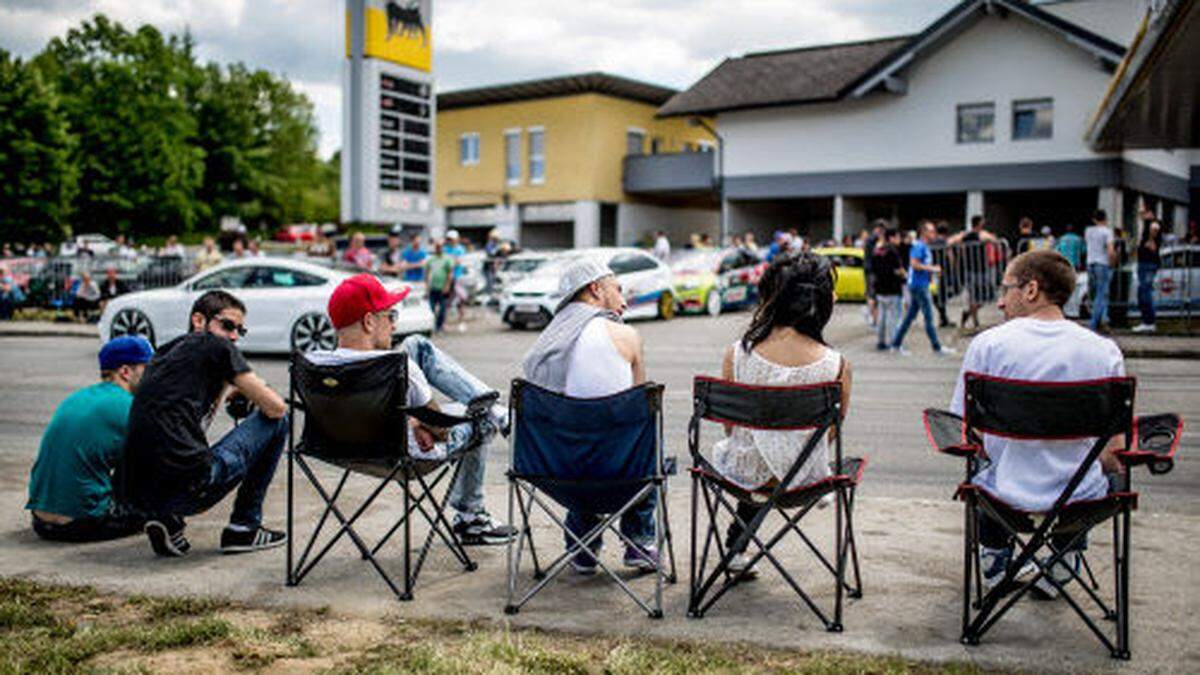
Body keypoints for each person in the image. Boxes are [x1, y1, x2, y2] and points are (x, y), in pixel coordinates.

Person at [950, 250, 1125, 596]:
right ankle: (1064, 556)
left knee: (984, 460)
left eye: (1005, 290)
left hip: (1002, 495)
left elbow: (965, 428)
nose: (1000, 303)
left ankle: (996, 556)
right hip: (1080, 500)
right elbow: (1114, 451)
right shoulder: (1105, 352)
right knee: (1098, 467)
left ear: (1031, 290)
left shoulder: (988, 345)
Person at [305, 274, 517, 545]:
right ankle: (471, 517)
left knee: (417, 345)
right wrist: (420, 419)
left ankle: (494, 409)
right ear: (369, 321)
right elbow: (440, 432)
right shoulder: (399, 367)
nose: (394, 325)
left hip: (339, 453)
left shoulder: (313, 365)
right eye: (390, 316)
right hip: (407, 456)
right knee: (480, 417)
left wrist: (413, 416)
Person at [710, 253, 851, 575]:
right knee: (781, 453)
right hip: (803, 480)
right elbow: (830, 434)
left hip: (742, 478)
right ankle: (738, 545)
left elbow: (731, 429)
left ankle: (735, 546)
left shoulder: (737, 353)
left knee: (758, 451)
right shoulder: (837, 365)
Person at [122, 290, 290, 557]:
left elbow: (186, 430)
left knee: (181, 455)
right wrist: (249, 390)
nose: (234, 336)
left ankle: (168, 519)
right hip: (191, 485)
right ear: (198, 320)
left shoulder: (163, 355)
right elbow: (275, 407)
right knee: (279, 421)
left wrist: (225, 382)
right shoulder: (216, 346)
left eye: (240, 330)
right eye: (227, 326)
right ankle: (244, 527)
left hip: (139, 495)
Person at [521, 257, 658, 573]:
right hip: (621, 475)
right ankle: (639, 541)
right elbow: (641, 414)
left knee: (578, 444)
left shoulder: (541, 349)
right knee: (641, 441)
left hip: (552, 472)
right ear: (596, 290)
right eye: (618, 290)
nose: (624, 302)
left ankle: (582, 545)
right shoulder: (627, 337)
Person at [25, 336, 154, 542]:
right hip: (82, 523)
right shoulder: (129, 405)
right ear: (125, 372)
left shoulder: (78, 397)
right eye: (147, 368)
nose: (152, 376)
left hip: (40, 522)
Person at [892, 221, 956, 355]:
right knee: (928, 317)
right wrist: (932, 269)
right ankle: (936, 347)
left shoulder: (924, 246)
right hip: (919, 286)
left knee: (909, 317)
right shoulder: (919, 246)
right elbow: (914, 264)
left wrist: (930, 272)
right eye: (931, 231)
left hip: (920, 285)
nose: (934, 234)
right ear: (924, 232)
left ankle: (896, 344)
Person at [948, 215, 1000, 329]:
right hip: (977, 270)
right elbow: (994, 240)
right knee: (982, 296)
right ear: (979, 223)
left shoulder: (966, 235)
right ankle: (975, 321)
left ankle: (968, 313)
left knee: (982, 297)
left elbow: (950, 242)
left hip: (974, 270)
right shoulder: (979, 234)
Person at [872, 227, 906, 350]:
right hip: (893, 288)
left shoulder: (877, 250)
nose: (899, 240)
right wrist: (904, 274)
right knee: (894, 318)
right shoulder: (893, 251)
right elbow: (898, 270)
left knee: (882, 317)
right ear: (891, 237)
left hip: (880, 289)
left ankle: (881, 341)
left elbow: (874, 268)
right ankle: (894, 342)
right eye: (897, 237)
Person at [1085, 210, 1116, 333]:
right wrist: (1112, 262)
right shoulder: (1107, 232)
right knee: (1102, 294)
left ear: (1094, 219)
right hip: (1102, 263)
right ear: (1106, 219)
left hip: (1090, 262)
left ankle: (1103, 319)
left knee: (1094, 293)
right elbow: (1110, 250)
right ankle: (1094, 323)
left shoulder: (1088, 231)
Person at [1134, 219, 1163, 333]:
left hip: (1148, 264)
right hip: (1144, 264)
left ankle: (1149, 322)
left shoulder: (1153, 228)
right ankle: (1146, 321)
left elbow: (1155, 230)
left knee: (1145, 292)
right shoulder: (1146, 232)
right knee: (1142, 292)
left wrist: (1151, 237)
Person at [425, 240, 454, 332]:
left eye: (440, 246)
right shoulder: (431, 259)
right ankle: (432, 325)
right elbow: (427, 273)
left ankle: (439, 326)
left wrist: (447, 286)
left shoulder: (447, 259)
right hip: (433, 287)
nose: (439, 248)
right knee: (431, 308)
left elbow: (450, 274)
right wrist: (427, 286)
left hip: (443, 287)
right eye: (437, 246)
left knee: (442, 309)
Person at [444, 230, 468, 330]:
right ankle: (444, 323)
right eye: (449, 239)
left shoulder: (460, 249)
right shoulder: (445, 249)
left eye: (452, 239)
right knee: (445, 301)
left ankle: (461, 321)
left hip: (458, 277)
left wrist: (451, 261)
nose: (450, 241)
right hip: (447, 277)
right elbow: (446, 262)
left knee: (461, 300)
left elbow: (458, 262)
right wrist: (452, 261)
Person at [861, 221, 884, 327]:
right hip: (872, 271)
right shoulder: (874, 240)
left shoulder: (869, 240)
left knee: (872, 295)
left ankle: (873, 317)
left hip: (870, 270)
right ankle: (872, 317)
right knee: (873, 295)